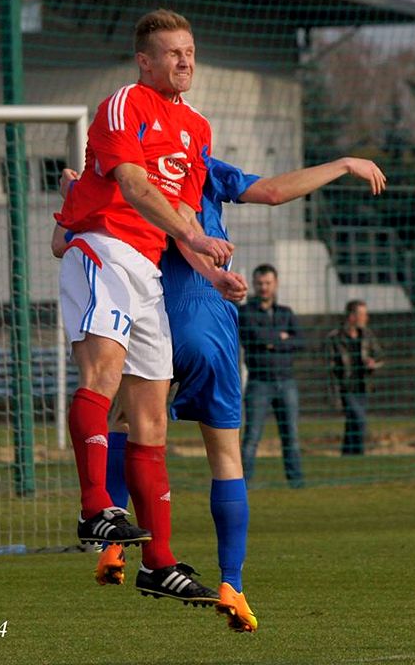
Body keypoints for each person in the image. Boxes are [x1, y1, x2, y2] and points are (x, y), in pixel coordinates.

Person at [54, 154, 386, 632]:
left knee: (132, 423)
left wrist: (73, 195)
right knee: (225, 457)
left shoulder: (120, 175)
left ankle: (114, 540)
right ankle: (232, 582)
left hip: (152, 305)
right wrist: (343, 165)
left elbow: (63, 242)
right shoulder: (195, 163)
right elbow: (271, 191)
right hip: (207, 314)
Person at [53, 8, 241, 607]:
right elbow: (134, 185)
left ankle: (158, 563)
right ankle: (94, 512)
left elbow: (185, 218)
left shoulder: (197, 128)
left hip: (149, 271)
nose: (185, 61)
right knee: (102, 376)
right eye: (172, 53)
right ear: (145, 59)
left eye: (190, 51)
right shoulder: (123, 105)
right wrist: (199, 239)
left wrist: (214, 273)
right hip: (104, 248)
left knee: (151, 418)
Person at [239, 264, 305, 487]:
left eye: (267, 283)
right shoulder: (245, 312)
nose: (263, 287)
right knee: (252, 437)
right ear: (254, 284)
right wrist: (282, 338)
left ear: (275, 283)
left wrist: (270, 341)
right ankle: (243, 485)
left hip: (286, 381)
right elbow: (254, 337)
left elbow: (301, 342)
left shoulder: (286, 312)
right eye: (259, 283)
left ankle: (296, 484)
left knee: (291, 438)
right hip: (259, 382)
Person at [326, 300, 384, 455]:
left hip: (363, 386)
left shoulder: (367, 335)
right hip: (346, 388)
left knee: (352, 423)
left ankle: (347, 455)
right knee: (359, 421)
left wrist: (373, 363)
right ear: (352, 316)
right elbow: (330, 366)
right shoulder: (335, 338)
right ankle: (359, 454)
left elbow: (379, 355)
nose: (366, 318)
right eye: (362, 314)